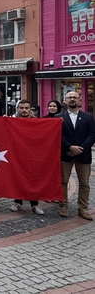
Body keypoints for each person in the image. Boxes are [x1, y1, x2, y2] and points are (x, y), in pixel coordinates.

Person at [59, 91, 95, 220]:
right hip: (66, 153)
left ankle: (83, 208)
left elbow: (92, 135)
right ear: (65, 100)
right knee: (63, 181)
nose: (72, 99)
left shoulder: (88, 117)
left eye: (75, 97)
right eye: (70, 97)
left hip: (83, 154)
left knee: (84, 183)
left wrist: (80, 148)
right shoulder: (59, 117)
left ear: (80, 100)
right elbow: (58, 135)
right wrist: (70, 147)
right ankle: (63, 206)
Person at [5, 100, 45, 215]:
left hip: (33, 155)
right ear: (17, 109)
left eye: (26, 108)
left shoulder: (37, 122)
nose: (24, 110)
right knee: (18, 178)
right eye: (21, 108)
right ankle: (18, 202)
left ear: (30, 109)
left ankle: (34, 204)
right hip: (17, 155)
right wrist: (4, 121)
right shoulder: (12, 121)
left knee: (33, 178)